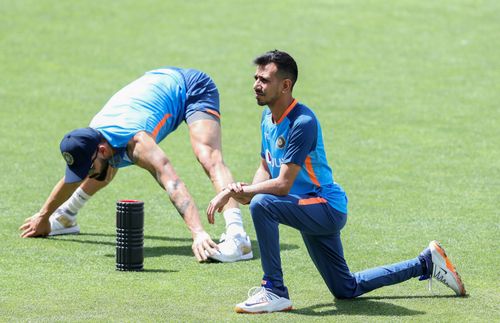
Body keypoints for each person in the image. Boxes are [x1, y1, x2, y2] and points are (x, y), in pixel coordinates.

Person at [206, 50, 466, 313]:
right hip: (305, 206)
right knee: (345, 288)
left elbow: (283, 184)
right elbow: (266, 163)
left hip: (325, 207)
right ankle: (426, 263)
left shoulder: (302, 122)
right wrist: (247, 192)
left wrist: (242, 192)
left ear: (285, 85)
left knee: (263, 204)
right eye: (256, 78)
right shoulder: (268, 118)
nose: (256, 85)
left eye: (264, 80)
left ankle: (274, 290)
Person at [19, 66, 252, 263]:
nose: (84, 175)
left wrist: (198, 233)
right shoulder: (95, 139)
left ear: (101, 149)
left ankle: (238, 237)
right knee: (105, 168)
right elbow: (85, 172)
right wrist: (43, 216)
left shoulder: (137, 143)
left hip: (192, 87)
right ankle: (66, 217)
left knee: (208, 156)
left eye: (86, 169)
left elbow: (172, 182)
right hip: (156, 83)